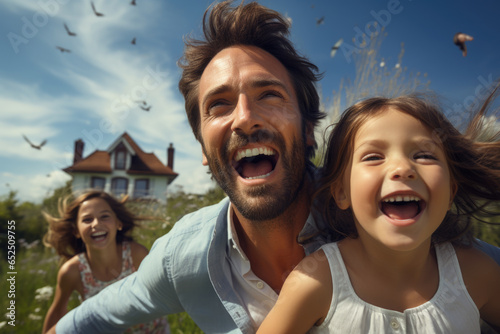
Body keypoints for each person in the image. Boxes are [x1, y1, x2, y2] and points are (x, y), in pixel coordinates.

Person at [48, 1, 500, 333]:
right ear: (204, 150)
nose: (245, 118)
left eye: (269, 95)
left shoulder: (380, 212)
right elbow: (99, 313)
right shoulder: (181, 260)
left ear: (308, 131)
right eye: (219, 106)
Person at [257, 92, 500, 333]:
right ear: (342, 192)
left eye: (424, 155)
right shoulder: (315, 281)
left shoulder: (475, 274)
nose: (402, 168)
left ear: (450, 192)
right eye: (373, 157)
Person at [42, 191, 169, 334]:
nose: (96, 224)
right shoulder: (72, 272)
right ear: (76, 231)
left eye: (104, 216)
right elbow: (57, 311)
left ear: (118, 223)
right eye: (87, 219)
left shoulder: (136, 254)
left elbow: (160, 295)